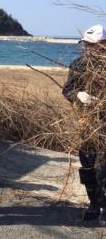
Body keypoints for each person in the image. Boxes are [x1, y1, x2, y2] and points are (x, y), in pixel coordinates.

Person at [62, 24, 106, 221]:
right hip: (86, 125)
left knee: (102, 171)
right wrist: (78, 95)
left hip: (104, 127)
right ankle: (94, 205)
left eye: (93, 45)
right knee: (87, 168)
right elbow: (67, 89)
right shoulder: (78, 65)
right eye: (86, 45)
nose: (88, 49)